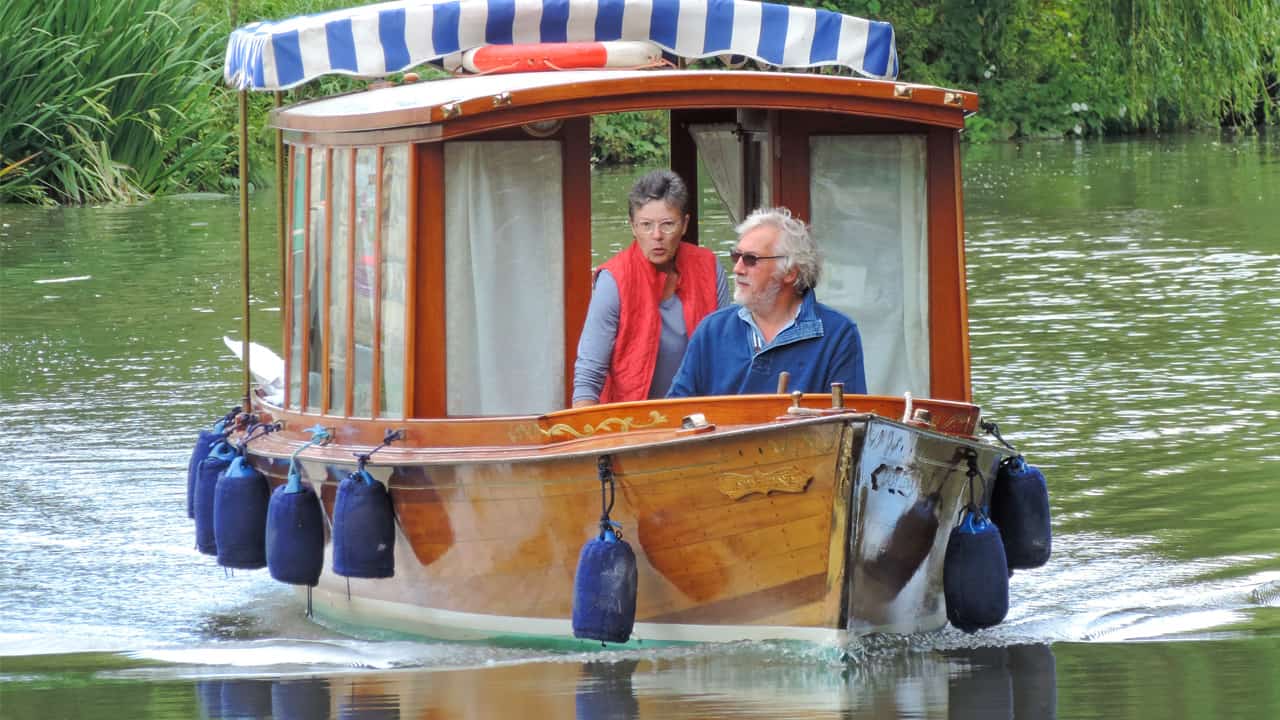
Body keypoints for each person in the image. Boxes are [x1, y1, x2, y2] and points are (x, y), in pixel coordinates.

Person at [667, 207, 866, 397]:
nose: (737, 268)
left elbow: (850, 423)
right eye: (736, 256)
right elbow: (675, 414)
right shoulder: (712, 330)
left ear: (789, 272)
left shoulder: (838, 333)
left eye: (751, 259)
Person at [572, 170, 729, 406]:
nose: (657, 236)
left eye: (668, 225)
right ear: (633, 227)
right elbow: (588, 375)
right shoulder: (614, 279)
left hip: (699, 418)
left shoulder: (709, 266)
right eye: (646, 225)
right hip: (630, 421)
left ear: (684, 224)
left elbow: (727, 352)